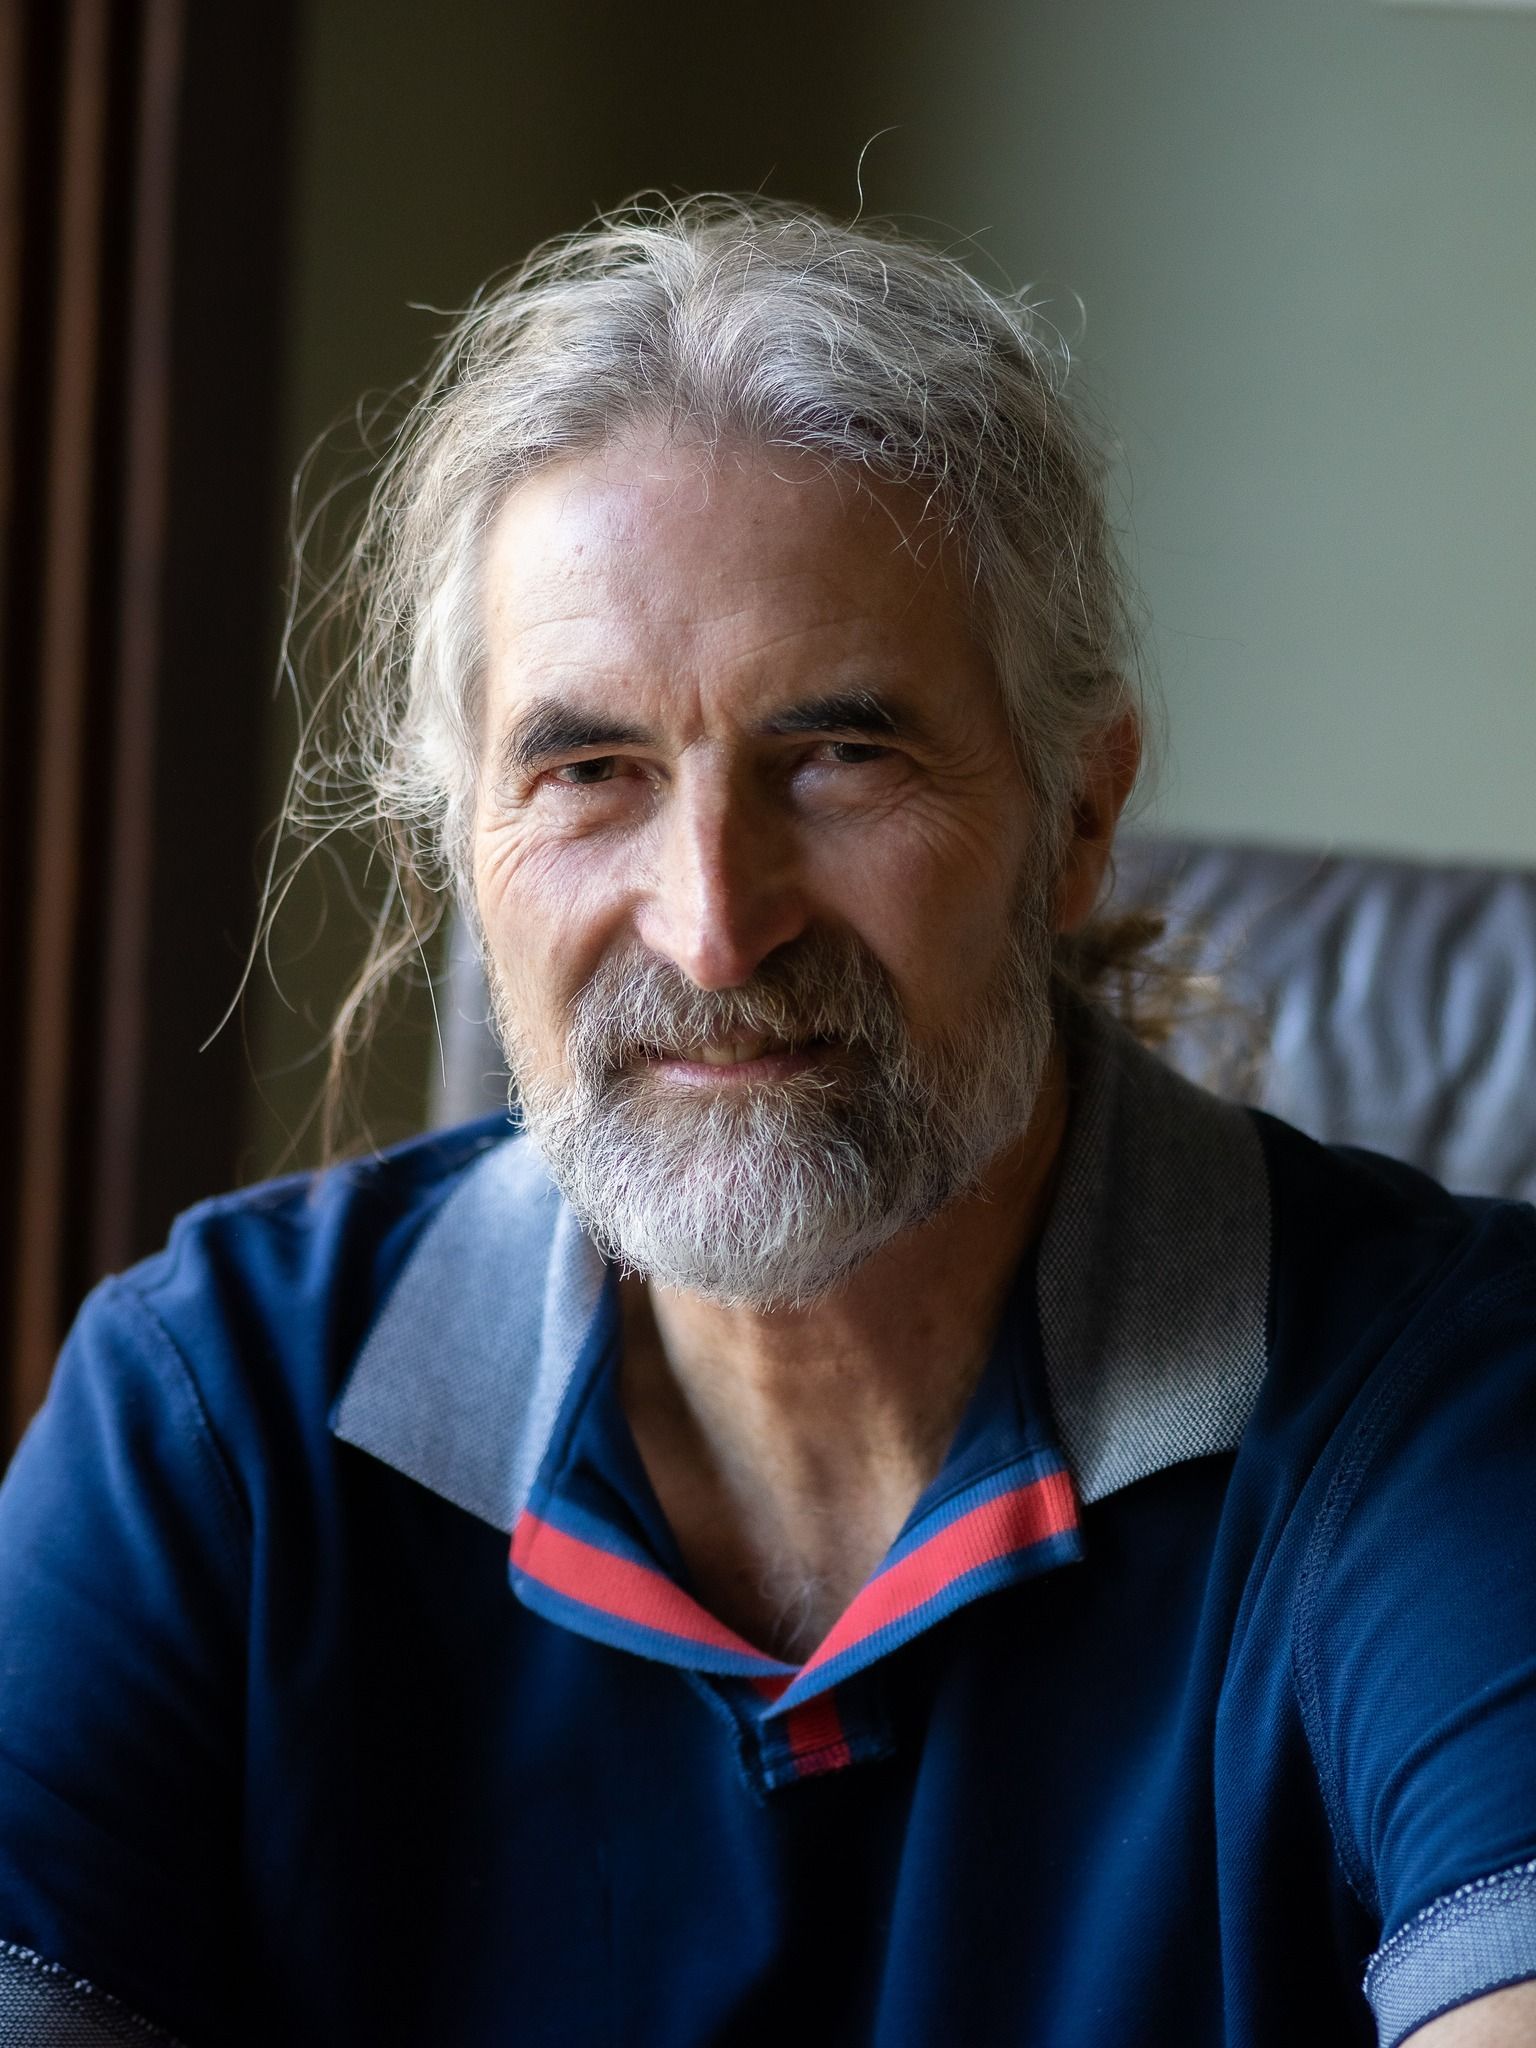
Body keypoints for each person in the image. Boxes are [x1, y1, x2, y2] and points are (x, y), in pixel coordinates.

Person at [1, 197, 1533, 2048]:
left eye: (839, 754)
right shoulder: (207, 1417)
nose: (716, 925)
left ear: (1076, 816)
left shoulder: (1447, 1400)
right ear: (463, 848)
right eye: (590, 772)